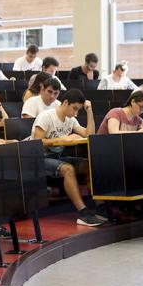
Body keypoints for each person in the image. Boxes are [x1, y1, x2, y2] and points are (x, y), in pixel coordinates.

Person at [30, 89, 103, 226]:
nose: (75, 113)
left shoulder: (71, 120)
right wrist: (62, 139)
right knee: (68, 169)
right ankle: (83, 212)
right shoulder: (46, 116)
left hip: (57, 157)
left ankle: (100, 207)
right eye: (74, 108)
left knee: (88, 165)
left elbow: (89, 134)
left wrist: (89, 111)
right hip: (38, 158)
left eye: (78, 110)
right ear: (65, 102)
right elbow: (37, 143)